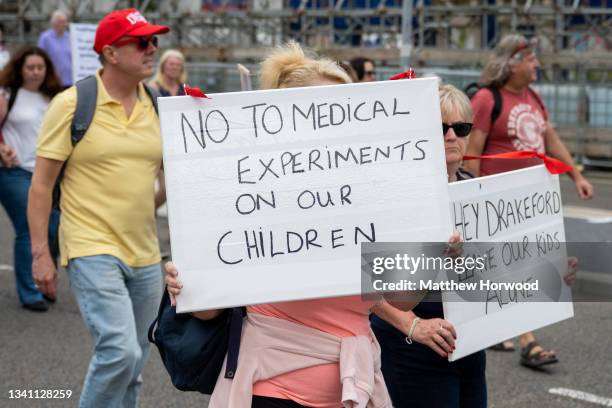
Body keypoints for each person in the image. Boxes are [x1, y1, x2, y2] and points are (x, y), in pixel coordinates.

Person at [165, 41, 399, 408]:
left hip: (353, 389)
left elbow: (401, 298)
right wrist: (187, 285)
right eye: (317, 112)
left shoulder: (370, 195)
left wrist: (433, 255)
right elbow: (207, 311)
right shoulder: (247, 193)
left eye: (341, 110)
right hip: (272, 390)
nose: (331, 121)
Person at [28, 9, 169, 407]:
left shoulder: (159, 105)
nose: (152, 48)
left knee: (135, 363)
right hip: (90, 246)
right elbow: (41, 185)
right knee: (120, 351)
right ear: (110, 52)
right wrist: (41, 253)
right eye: (142, 42)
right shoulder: (72, 103)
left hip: (144, 251)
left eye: (154, 40)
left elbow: (165, 181)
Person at [464, 34, 593, 369]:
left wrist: (575, 175)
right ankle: (528, 342)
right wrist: (471, 198)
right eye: (531, 59)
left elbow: (550, 139)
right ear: (512, 63)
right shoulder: (486, 98)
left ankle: (497, 327)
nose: (537, 65)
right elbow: (471, 151)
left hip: (530, 203)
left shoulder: (534, 98)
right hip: (497, 203)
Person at [371, 84, 487, 408]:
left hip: (469, 344)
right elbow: (365, 283)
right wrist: (414, 326)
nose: (452, 136)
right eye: (440, 127)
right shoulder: (398, 197)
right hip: (414, 347)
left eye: (461, 128)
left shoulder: (475, 190)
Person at [0, 47, 62, 312]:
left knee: (53, 228)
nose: (36, 72)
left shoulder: (55, 98)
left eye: (40, 67)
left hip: (49, 173)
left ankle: (44, 278)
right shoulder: (7, 94)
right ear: (20, 69)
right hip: (14, 172)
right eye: (30, 67)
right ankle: (30, 291)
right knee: (29, 227)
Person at [37, 10, 72, 88]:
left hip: (70, 80)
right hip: (52, 79)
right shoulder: (45, 37)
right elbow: (40, 56)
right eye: (60, 22)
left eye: (65, 22)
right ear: (53, 23)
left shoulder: (71, 37)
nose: (63, 24)